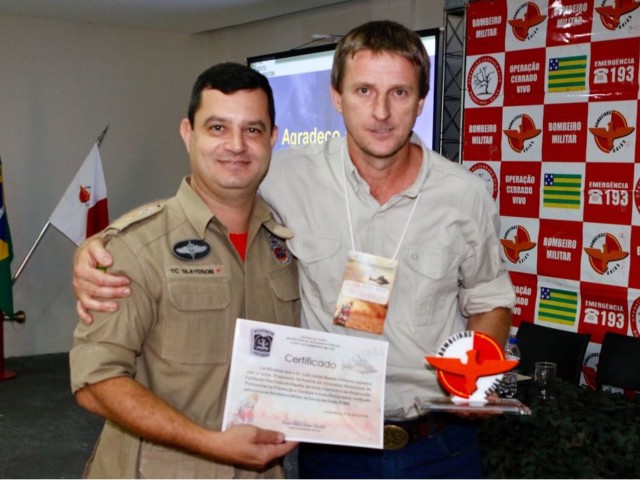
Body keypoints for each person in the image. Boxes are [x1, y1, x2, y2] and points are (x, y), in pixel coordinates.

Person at [72, 20, 516, 479]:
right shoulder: (283, 176)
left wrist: (476, 374)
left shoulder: (464, 195)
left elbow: (490, 298)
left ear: (421, 101)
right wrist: (96, 248)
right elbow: (200, 201)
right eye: (364, 91)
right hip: (333, 446)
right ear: (337, 97)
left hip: (439, 444)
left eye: (399, 93)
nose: (381, 111)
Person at [69, 62, 299, 478]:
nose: (236, 145)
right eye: (217, 128)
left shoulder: (287, 246)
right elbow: (95, 382)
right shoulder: (136, 247)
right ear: (188, 134)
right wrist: (210, 443)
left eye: (252, 129)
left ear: (272, 138)